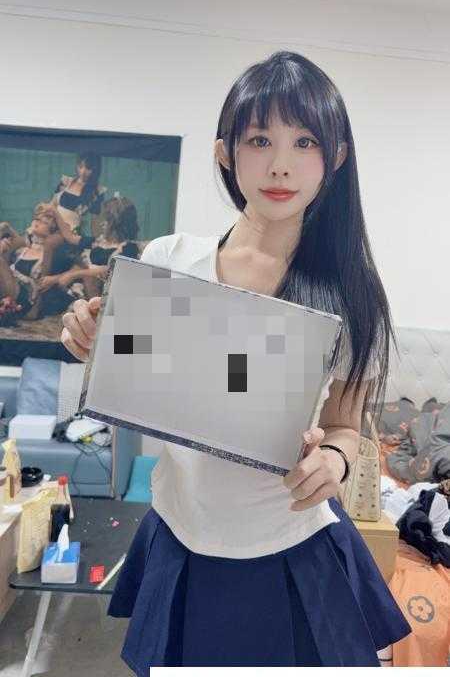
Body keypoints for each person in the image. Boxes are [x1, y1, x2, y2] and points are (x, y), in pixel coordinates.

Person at [60, 50, 411, 670]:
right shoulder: (170, 263)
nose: (281, 164)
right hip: (181, 536)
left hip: (293, 548)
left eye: (305, 141)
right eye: (260, 139)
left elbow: (345, 425)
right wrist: (91, 342)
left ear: (336, 157)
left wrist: (332, 459)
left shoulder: (351, 294)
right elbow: (128, 380)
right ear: (226, 152)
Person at [37, 195, 140, 301]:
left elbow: (109, 270)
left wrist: (73, 275)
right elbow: (70, 237)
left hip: (107, 295)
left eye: (106, 220)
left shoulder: (128, 248)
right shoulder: (99, 241)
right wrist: (55, 212)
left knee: (87, 274)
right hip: (85, 287)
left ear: (117, 224)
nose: (102, 223)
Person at [0, 205, 75, 320]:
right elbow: (5, 227)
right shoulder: (24, 248)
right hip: (9, 287)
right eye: (36, 219)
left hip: (28, 298)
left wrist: (54, 279)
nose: (37, 223)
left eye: (44, 222)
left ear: (52, 230)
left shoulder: (50, 253)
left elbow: (75, 269)